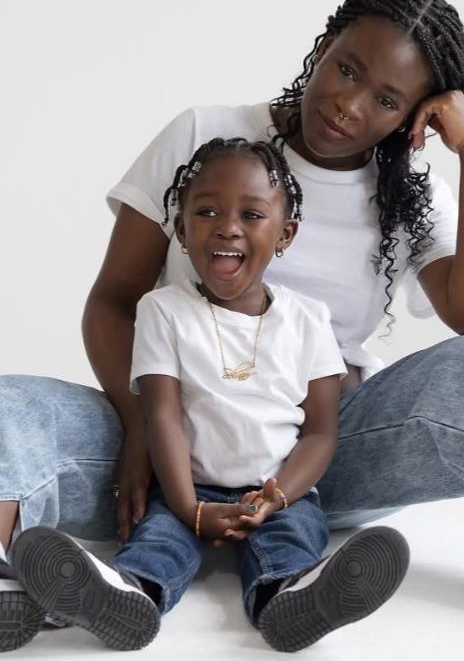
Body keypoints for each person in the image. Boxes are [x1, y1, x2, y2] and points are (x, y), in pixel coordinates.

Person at [1, 0, 464, 652]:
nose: (348, 105)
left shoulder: (409, 191)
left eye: (385, 100)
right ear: (324, 44)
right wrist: (140, 428)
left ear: (412, 119)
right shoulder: (206, 134)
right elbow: (113, 300)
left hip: (321, 450)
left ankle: (289, 585)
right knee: (11, 407)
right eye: (347, 69)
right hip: (166, 436)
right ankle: (9, 585)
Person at [5, 138, 409, 653]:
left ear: (284, 234)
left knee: (293, 536)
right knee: (158, 542)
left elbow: (321, 432)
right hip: (186, 487)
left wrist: (279, 496)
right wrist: (188, 507)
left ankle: (293, 598)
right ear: (181, 230)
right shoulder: (163, 310)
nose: (227, 227)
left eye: (251, 214)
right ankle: (122, 593)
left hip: (276, 492)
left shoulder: (309, 319)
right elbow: (162, 417)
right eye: (207, 212)